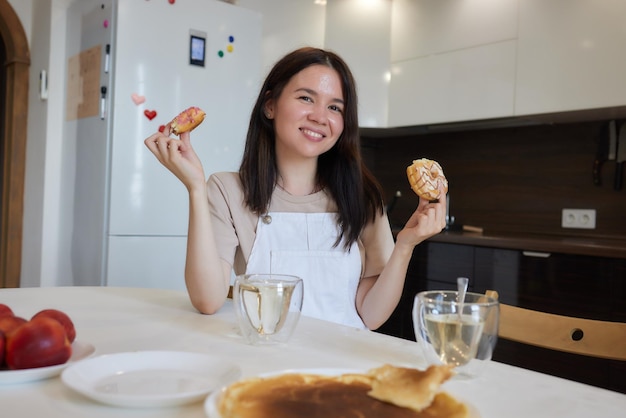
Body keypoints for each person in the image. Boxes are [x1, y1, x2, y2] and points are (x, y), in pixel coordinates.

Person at [144, 47, 447, 330]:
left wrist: (405, 245)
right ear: (270, 105)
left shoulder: (362, 198)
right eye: (305, 98)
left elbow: (369, 316)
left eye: (335, 107)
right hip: (263, 363)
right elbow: (208, 301)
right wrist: (195, 188)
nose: (320, 116)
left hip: (342, 367)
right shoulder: (228, 190)